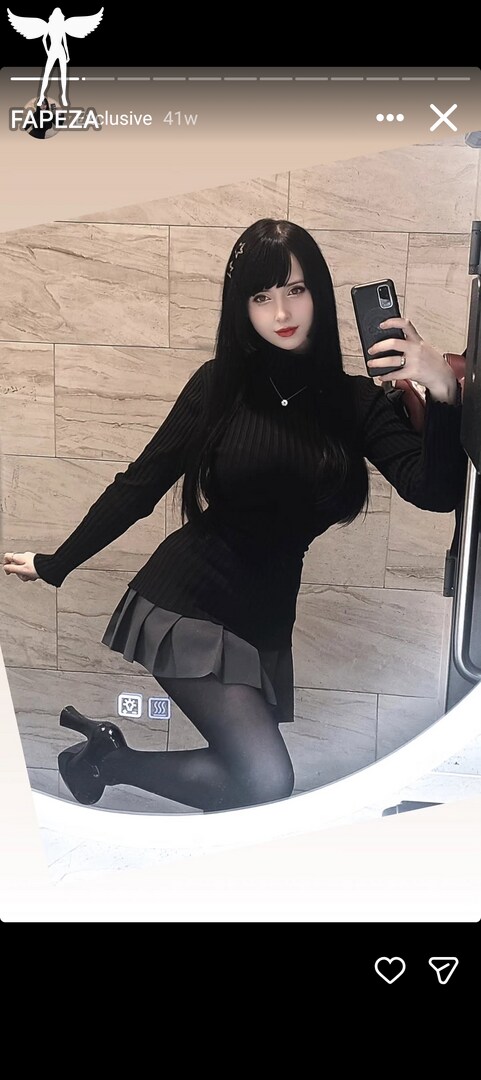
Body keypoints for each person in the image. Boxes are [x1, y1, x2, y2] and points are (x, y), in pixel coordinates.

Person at [3, 219, 467, 813]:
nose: (281, 312)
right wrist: (55, 562)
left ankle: (106, 758)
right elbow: (141, 485)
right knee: (264, 780)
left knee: (249, 781)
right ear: (241, 307)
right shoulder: (219, 387)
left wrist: (441, 390)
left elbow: (435, 492)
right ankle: (108, 759)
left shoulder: (355, 402)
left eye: (295, 290)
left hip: (262, 617)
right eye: (261, 296)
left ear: (319, 294)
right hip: (189, 600)